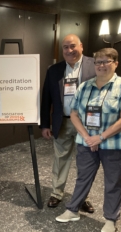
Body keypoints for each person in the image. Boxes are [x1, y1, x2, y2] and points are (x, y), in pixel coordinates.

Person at [55, 48, 121, 232]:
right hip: (87, 142)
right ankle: (73, 210)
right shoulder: (85, 87)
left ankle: (111, 219)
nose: (101, 65)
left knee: (112, 182)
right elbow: (74, 114)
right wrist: (87, 137)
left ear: (115, 63)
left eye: (106, 61)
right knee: (82, 178)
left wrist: (100, 137)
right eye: (98, 62)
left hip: (114, 145)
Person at [40, 34, 95, 212]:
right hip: (62, 122)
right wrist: (45, 124)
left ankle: (82, 196)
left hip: (86, 124)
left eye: (73, 46)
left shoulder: (94, 65)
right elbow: (46, 98)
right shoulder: (54, 70)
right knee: (60, 158)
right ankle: (56, 193)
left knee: (85, 161)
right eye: (65, 47)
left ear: (81, 46)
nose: (69, 50)